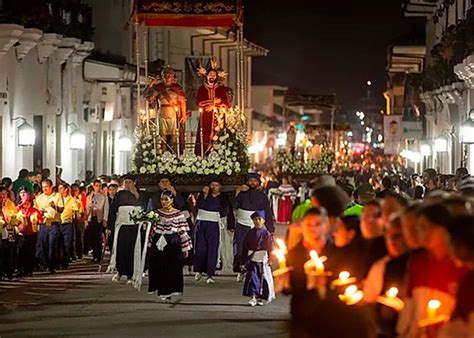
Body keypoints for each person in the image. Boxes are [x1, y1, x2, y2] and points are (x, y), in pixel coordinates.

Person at [397, 204, 467, 338]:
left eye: (427, 227)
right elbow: (409, 305)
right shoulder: (418, 262)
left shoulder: (460, 266)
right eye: (420, 228)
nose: (422, 233)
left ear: (445, 229)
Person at [147, 191, 192, 302]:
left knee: (172, 268)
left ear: (172, 200)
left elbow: (182, 231)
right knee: (160, 267)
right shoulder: (156, 213)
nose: (164, 202)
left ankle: (170, 292)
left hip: (173, 243)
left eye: (166, 199)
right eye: (162, 199)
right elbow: (151, 230)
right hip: (158, 242)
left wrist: (185, 247)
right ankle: (162, 291)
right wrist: (148, 243)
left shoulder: (178, 214)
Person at [234, 173, 274, 281]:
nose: (252, 183)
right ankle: (241, 270)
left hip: (256, 227)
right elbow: (233, 205)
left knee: (255, 250)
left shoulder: (263, 196)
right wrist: (237, 192)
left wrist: (270, 229)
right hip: (242, 225)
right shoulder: (242, 194)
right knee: (240, 248)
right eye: (250, 180)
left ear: (258, 182)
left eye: (255, 181)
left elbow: (267, 212)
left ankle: (254, 272)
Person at [107, 175, 148, 283]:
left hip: (134, 226)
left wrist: (136, 194)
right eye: (126, 182)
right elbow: (113, 210)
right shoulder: (119, 194)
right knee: (120, 249)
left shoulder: (141, 194)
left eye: (130, 182)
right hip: (122, 225)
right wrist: (109, 226)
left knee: (132, 250)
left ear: (134, 183)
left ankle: (131, 274)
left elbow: (144, 207)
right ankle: (120, 271)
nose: (127, 184)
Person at [193, 175, 229, 284]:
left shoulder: (223, 198)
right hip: (202, 223)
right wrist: (205, 195)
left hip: (213, 224)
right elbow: (199, 205)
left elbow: (224, 211)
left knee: (212, 248)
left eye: (216, 185)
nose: (214, 187)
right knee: (200, 248)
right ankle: (199, 270)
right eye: (212, 185)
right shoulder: (203, 195)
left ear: (220, 187)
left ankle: (210, 273)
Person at [144, 67, 187, 153]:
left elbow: (182, 102)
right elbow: (148, 97)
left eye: (169, 75)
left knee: (174, 137)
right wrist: (151, 85)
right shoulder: (158, 87)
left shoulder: (177, 88)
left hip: (173, 114)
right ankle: (163, 155)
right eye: (165, 75)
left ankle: (175, 155)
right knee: (162, 137)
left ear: (172, 76)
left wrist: (183, 115)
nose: (167, 78)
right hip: (162, 113)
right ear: (162, 76)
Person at [195, 59, 230, 156]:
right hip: (205, 117)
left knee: (218, 135)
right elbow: (199, 102)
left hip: (218, 117)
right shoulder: (202, 88)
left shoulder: (220, 89)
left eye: (214, 75)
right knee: (204, 136)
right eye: (210, 75)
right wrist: (212, 103)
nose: (212, 77)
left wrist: (215, 106)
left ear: (217, 77)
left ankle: (218, 155)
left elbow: (225, 103)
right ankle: (203, 154)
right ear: (206, 76)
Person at [242, 210, 275, 306]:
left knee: (263, 279)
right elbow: (245, 246)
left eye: (259, 219)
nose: (257, 221)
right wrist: (243, 260)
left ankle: (260, 297)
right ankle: (253, 296)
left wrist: (270, 259)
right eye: (255, 219)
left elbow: (270, 248)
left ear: (263, 221)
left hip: (262, 259)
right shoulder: (250, 233)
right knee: (252, 278)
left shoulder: (266, 234)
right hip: (252, 259)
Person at [324, 215, 367, 280]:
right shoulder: (333, 251)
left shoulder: (359, 259)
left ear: (351, 234)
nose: (334, 233)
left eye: (338, 230)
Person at [34, 179, 63, 273]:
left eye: (46, 186)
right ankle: (45, 263)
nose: (44, 189)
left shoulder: (57, 196)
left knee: (52, 244)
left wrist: (54, 207)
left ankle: (52, 265)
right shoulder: (39, 198)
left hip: (54, 224)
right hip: (43, 224)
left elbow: (61, 209)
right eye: (43, 187)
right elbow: (36, 210)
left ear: (51, 187)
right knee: (44, 244)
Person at [17, 191, 42, 276]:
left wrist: (37, 220)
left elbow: (40, 220)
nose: (26, 204)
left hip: (32, 234)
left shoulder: (35, 211)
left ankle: (29, 269)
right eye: (25, 203)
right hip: (22, 234)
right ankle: (21, 269)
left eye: (28, 203)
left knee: (30, 252)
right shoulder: (19, 210)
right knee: (21, 251)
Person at [86, 180, 109, 263]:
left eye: (99, 186)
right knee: (92, 237)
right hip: (91, 218)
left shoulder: (104, 197)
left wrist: (105, 219)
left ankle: (98, 256)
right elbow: (87, 207)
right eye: (96, 185)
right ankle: (94, 255)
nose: (98, 187)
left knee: (98, 237)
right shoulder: (89, 196)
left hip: (98, 218)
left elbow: (106, 209)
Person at [58, 183, 77, 269]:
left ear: (66, 189)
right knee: (59, 244)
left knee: (67, 243)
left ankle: (65, 261)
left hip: (67, 223)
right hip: (58, 223)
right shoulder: (57, 198)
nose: (60, 190)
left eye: (61, 188)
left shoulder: (71, 199)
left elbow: (76, 209)